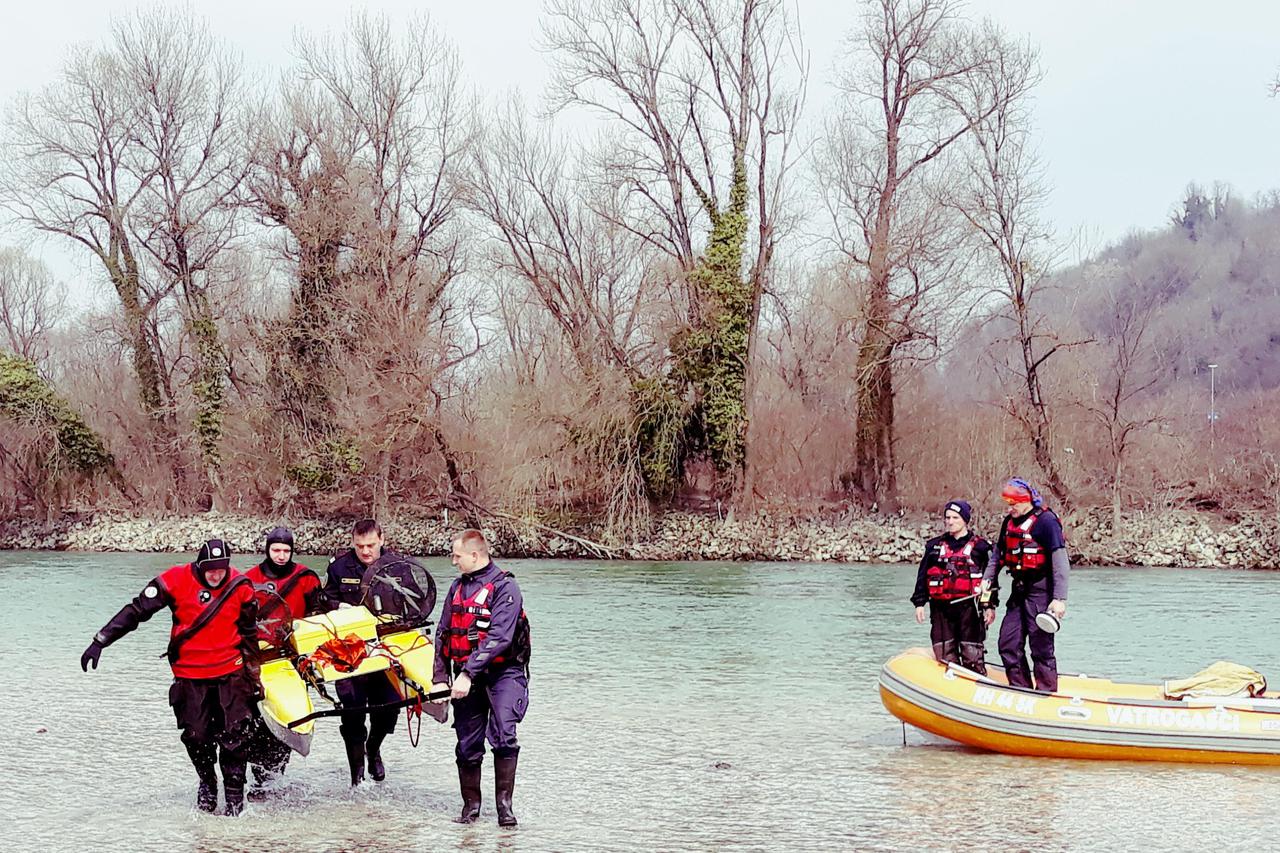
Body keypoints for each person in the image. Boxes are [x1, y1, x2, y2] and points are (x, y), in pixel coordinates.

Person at [79, 539, 259, 816]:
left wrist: (254, 676)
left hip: (231, 672)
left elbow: (249, 634)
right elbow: (137, 611)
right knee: (196, 737)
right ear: (199, 565)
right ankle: (208, 782)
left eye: (221, 570)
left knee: (235, 738)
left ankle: (235, 801)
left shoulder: (240, 586)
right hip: (190, 675)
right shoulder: (175, 580)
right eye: (210, 570)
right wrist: (101, 640)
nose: (216, 576)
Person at [319, 518, 435, 786]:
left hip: (388, 649)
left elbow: (417, 604)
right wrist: (337, 606)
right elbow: (323, 600)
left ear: (381, 539)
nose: (366, 551)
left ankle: (374, 748)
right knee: (353, 712)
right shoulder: (339, 568)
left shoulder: (400, 567)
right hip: (350, 651)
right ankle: (356, 776)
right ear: (352, 543)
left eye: (371, 545)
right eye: (360, 546)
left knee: (388, 709)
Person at [433, 528, 531, 828]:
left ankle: (504, 809)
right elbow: (443, 634)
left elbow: (500, 637)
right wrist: (439, 678)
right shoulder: (456, 589)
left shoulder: (506, 587)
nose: (453, 561)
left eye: (457, 556)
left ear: (475, 555)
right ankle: (471, 808)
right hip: (466, 676)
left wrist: (466, 673)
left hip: (504, 673)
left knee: (504, 734)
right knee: (467, 744)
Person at [243, 525, 322, 794]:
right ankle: (258, 777)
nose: (280, 555)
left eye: (286, 550)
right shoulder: (249, 579)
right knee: (256, 720)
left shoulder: (307, 579)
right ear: (267, 549)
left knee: (289, 715)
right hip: (258, 661)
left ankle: (276, 777)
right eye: (276, 550)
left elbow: (317, 617)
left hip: (292, 659)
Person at [981, 478, 1071, 692]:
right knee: (1008, 643)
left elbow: (1060, 562)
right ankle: (1020, 689)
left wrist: (1059, 599)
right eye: (1008, 504)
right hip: (1019, 591)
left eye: (1014, 504)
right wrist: (987, 581)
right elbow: (997, 557)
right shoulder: (1008, 523)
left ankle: (1046, 691)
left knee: (1041, 647)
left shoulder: (1046, 522)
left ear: (1026, 500)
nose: (1010, 508)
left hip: (1041, 592)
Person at [910, 500, 997, 674]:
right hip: (941, 609)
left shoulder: (981, 547)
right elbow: (922, 577)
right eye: (947, 517)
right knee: (944, 653)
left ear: (965, 520)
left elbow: (991, 582)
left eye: (955, 518)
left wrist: (989, 606)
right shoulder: (933, 547)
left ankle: (975, 684)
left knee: (971, 654)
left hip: (970, 609)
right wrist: (920, 603)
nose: (950, 521)